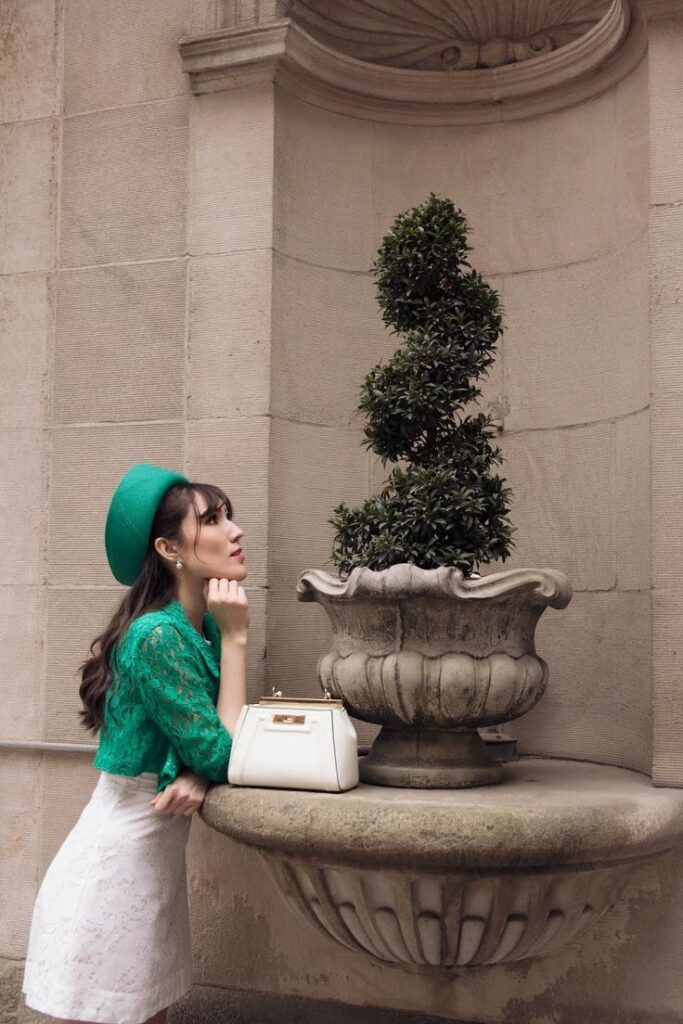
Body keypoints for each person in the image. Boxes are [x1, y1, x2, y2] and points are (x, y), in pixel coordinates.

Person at [21, 462, 249, 1024]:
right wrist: (241, 640)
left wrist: (196, 771)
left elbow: (216, 741)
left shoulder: (208, 625)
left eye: (229, 518)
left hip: (151, 866)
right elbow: (223, 749)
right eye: (213, 520)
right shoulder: (157, 636)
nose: (235, 532)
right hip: (115, 867)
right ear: (169, 549)